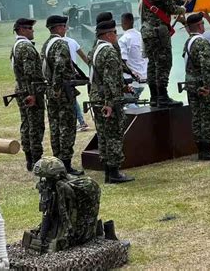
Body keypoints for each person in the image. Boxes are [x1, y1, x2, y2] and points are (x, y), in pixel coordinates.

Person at [88, 18, 135, 183]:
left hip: (96, 97)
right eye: (114, 32)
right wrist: (110, 103)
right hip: (108, 100)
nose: (116, 35)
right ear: (108, 35)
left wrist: (123, 87)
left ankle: (108, 170)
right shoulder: (109, 51)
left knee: (103, 135)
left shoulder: (95, 50)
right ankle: (114, 172)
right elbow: (110, 79)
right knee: (114, 134)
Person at [139, 0, 189, 108]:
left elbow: (160, 1)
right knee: (164, 63)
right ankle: (163, 96)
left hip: (147, 31)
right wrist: (182, 9)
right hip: (159, 31)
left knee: (152, 64)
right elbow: (171, 8)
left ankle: (154, 97)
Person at [41, 15, 84, 176]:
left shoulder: (46, 45)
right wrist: (58, 87)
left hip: (51, 92)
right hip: (63, 93)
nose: (65, 29)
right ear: (58, 27)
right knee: (67, 127)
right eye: (64, 26)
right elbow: (60, 66)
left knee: (55, 127)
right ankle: (66, 164)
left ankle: (58, 161)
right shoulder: (61, 44)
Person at [183, 13, 210, 161]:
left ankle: (201, 149)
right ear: (200, 25)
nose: (204, 26)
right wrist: (207, 85)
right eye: (202, 24)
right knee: (207, 117)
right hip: (202, 86)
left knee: (196, 117)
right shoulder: (202, 42)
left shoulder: (189, 41)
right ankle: (206, 150)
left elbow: (193, 64)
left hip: (191, 85)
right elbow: (205, 66)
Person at [10, 18, 45, 171]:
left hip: (22, 90)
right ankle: (36, 160)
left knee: (26, 124)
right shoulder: (26, 47)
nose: (32, 31)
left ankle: (29, 159)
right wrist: (33, 94)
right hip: (30, 92)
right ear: (22, 30)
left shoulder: (17, 46)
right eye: (29, 28)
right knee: (35, 126)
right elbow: (30, 73)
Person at [119, 12, 148, 107]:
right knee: (135, 103)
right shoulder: (141, 36)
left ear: (124, 23)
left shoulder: (123, 39)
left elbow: (122, 61)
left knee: (129, 104)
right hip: (143, 78)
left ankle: (141, 121)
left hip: (131, 80)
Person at [62, 34, 90, 132]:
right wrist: (91, 67)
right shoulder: (72, 41)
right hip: (73, 75)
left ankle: (81, 122)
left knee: (71, 99)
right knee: (72, 98)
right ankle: (80, 122)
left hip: (63, 77)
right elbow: (83, 56)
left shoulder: (54, 43)